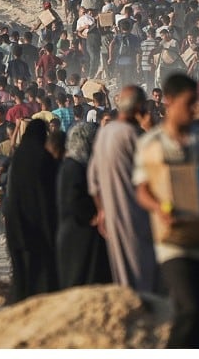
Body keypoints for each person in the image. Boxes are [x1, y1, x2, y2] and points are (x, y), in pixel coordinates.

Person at [133, 74, 199, 349]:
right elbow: (142, 191)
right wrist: (159, 209)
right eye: (188, 103)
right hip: (174, 242)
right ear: (169, 101)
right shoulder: (151, 143)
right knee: (189, 309)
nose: (193, 110)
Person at [88, 85, 157, 293]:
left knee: (123, 274)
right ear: (139, 108)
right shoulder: (134, 136)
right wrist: (151, 130)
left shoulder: (104, 134)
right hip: (137, 214)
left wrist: (101, 210)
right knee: (143, 271)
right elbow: (157, 166)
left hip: (112, 214)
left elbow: (93, 181)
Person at [3, 118, 59, 303]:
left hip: (17, 220)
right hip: (40, 221)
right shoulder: (45, 158)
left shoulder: (18, 157)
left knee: (21, 270)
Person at [56, 122, 111, 289]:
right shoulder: (73, 167)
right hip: (78, 232)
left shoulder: (76, 165)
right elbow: (74, 199)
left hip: (78, 231)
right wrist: (93, 215)